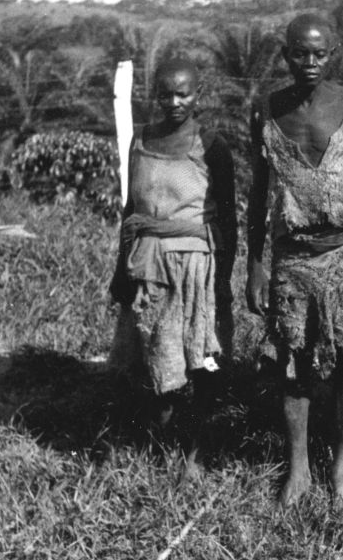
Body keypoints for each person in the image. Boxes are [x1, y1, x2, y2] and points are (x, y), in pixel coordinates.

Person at [246, 14, 343, 507]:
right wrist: (255, 264)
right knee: (294, 362)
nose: (309, 62)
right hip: (292, 258)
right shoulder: (268, 111)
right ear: (285, 54)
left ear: (332, 53)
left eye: (319, 53)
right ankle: (298, 468)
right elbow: (258, 191)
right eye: (300, 53)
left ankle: (341, 472)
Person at [109, 57, 237, 481]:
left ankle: (197, 451)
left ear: (198, 94)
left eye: (183, 94)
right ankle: (159, 440)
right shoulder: (141, 140)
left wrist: (223, 282)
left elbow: (228, 219)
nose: (174, 102)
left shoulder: (211, 146)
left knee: (201, 359)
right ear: (155, 95)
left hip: (195, 267)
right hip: (147, 263)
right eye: (166, 94)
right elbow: (132, 209)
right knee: (152, 352)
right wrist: (120, 269)